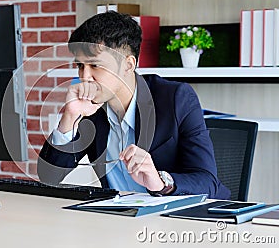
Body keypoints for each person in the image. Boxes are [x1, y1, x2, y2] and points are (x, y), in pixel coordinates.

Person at [37, 11, 230, 199]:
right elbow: (49, 177)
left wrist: (161, 182)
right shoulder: (90, 107)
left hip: (183, 219)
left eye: (95, 65)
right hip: (122, 219)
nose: (84, 77)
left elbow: (208, 182)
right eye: (80, 65)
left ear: (128, 65)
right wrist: (69, 118)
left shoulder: (175, 98)